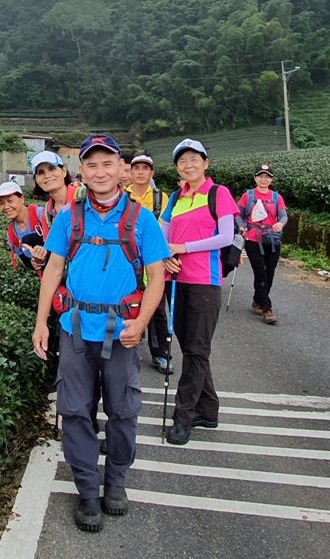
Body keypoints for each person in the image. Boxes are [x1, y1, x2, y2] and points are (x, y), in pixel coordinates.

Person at [33, 134, 169, 533]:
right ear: (82, 172)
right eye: (92, 165)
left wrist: (141, 323)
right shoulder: (69, 217)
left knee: (123, 411)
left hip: (122, 331)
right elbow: (54, 270)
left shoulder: (141, 219)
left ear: (122, 169)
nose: (100, 171)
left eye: (108, 163)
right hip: (75, 329)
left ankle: (117, 483)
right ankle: (88, 490)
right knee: (74, 412)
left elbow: (157, 275)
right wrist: (41, 323)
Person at [160, 138, 239, 447]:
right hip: (176, 280)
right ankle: (208, 409)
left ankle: (183, 418)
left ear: (206, 163)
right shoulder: (176, 197)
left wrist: (183, 247)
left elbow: (226, 236)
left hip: (205, 281)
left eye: (194, 159)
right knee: (191, 348)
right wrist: (166, 255)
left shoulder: (219, 194)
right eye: (182, 160)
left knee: (196, 350)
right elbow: (162, 233)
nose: (188, 164)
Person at [125, 154, 172, 376]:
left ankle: (160, 353)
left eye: (146, 168)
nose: (141, 172)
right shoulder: (122, 195)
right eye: (137, 168)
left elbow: (166, 226)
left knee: (157, 309)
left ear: (152, 173)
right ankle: (126, 350)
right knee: (126, 305)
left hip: (152, 260)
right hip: (126, 260)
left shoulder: (161, 198)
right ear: (130, 172)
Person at [237, 163, 288, 325]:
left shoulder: (276, 197)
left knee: (269, 273)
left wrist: (280, 224)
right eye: (260, 176)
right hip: (253, 238)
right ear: (255, 178)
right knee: (260, 271)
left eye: (267, 176)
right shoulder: (248, 196)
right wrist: (241, 226)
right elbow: (238, 214)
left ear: (271, 179)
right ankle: (267, 308)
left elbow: (283, 216)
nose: (264, 179)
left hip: (272, 239)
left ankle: (257, 300)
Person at [0, 181, 45, 272]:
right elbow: (27, 262)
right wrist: (35, 263)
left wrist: (32, 238)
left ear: (21, 199)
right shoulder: (12, 234)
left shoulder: (41, 215)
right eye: (1, 203)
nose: (6, 207)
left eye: (10, 201)